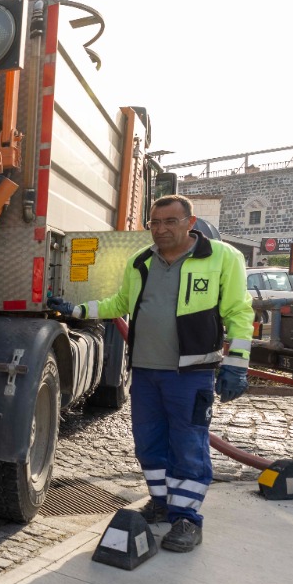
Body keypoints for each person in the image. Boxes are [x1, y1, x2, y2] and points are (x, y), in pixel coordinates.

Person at [49, 195, 252, 552]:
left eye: (170, 222)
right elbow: (120, 304)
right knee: (149, 442)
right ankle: (160, 502)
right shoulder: (140, 261)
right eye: (154, 223)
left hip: (191, 374)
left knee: (188, 445)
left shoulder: (221, 257)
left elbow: (239, 311)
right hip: (145, 372)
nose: (160, 230)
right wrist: (79, 308)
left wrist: (236, 362)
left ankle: (187, 518)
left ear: (190, 223)